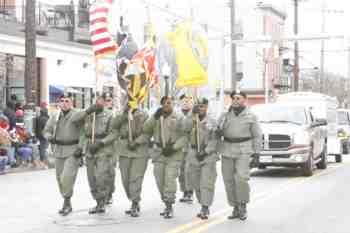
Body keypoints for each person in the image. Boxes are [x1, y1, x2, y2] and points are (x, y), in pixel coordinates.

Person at [217, 91, 261, 221]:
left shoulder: (251, 116)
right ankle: (235, 207)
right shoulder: (225, 115)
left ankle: (242, 205)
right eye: (233, 98)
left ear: (244, 100)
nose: (235, 100)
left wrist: (257, 153)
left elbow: (257, 135)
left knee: (241, 178)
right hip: (227, 149)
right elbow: (216, 130)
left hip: (244, 149)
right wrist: (218, 129)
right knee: (228, 180)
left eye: (238, 98)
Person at [143, 96, 187, 219]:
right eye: (164, 103)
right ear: (161, 104)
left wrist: (174, 147)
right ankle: (165, 200)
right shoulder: (157, 117)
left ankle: (169, 205)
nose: (167, 105)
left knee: (170, 179)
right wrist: (154, 117)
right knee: (160, 179)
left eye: (169, 103)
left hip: (173, 153)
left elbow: (185, 136)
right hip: (159, 153)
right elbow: (146, 129)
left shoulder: (179, 117)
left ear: (172, 103)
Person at [43, 93, 85, 216]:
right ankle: (67, 200)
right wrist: (49, 137)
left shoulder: (77, 115)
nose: (64, 103)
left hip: (72, 150)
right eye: (62, 101)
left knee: (67, 177)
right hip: (58, 149)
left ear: (71, 103)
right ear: (59, 103)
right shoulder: (55, 116)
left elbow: (83, 132)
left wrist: (80, 148)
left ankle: (66, 201)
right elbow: (46, 130)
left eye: (67, 101)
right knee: (59, 178)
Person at [106, 102, 149, 217]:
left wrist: (137, 141)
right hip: (124, 149)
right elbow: (114, 126)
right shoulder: (121, 114)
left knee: (136, 178)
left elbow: (147, 133)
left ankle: (135, 202)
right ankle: (133, 199)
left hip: (139, 150)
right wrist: (125, 113)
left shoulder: (144, 114)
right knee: (125, 179)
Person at [184, 97, 219, 220]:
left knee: (206, 182)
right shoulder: (191, 119)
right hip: (193, 154)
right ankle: (202, 203)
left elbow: (215, 139)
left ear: (207, 107)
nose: (200, 108)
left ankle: (205, 207)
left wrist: (206, 151)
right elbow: (184, 128)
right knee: (195, 182)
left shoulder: (212, 121)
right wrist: (191, 114)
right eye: (198, 106)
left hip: (207, 155)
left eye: (202, 106)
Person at [178, 94, 194, 203]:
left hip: (190, 147)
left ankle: (190, 192)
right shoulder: (177, 115)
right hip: (179, 147)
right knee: (181, 171)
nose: (186, 102)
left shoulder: (195, 115)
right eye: (184, 101)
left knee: (189, 170)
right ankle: (184, 190)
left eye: (188, 101)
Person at [35, 102, 50, 168]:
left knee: (42, 148)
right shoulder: (46, 119)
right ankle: (44, 161)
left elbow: (36, 128)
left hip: (39, 135)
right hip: (44, 135)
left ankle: (42, 161)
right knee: (44, 148)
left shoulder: (38, 118)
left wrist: (36, 135)